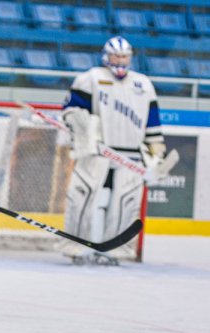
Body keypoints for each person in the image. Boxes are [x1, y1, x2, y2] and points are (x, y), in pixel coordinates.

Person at [61, 35, 172, 264]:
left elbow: (152, 122)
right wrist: (83, 128)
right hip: (95, 152)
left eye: (124, 56)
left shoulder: (143, 84)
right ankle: (75, 247)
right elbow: (70, 110)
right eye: (116, 56)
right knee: (80, 198)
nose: (120, 60)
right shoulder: (90, 78)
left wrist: (156, 152)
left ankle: (116, 251)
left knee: (126, 204)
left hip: (131, 155)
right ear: (106, 56)